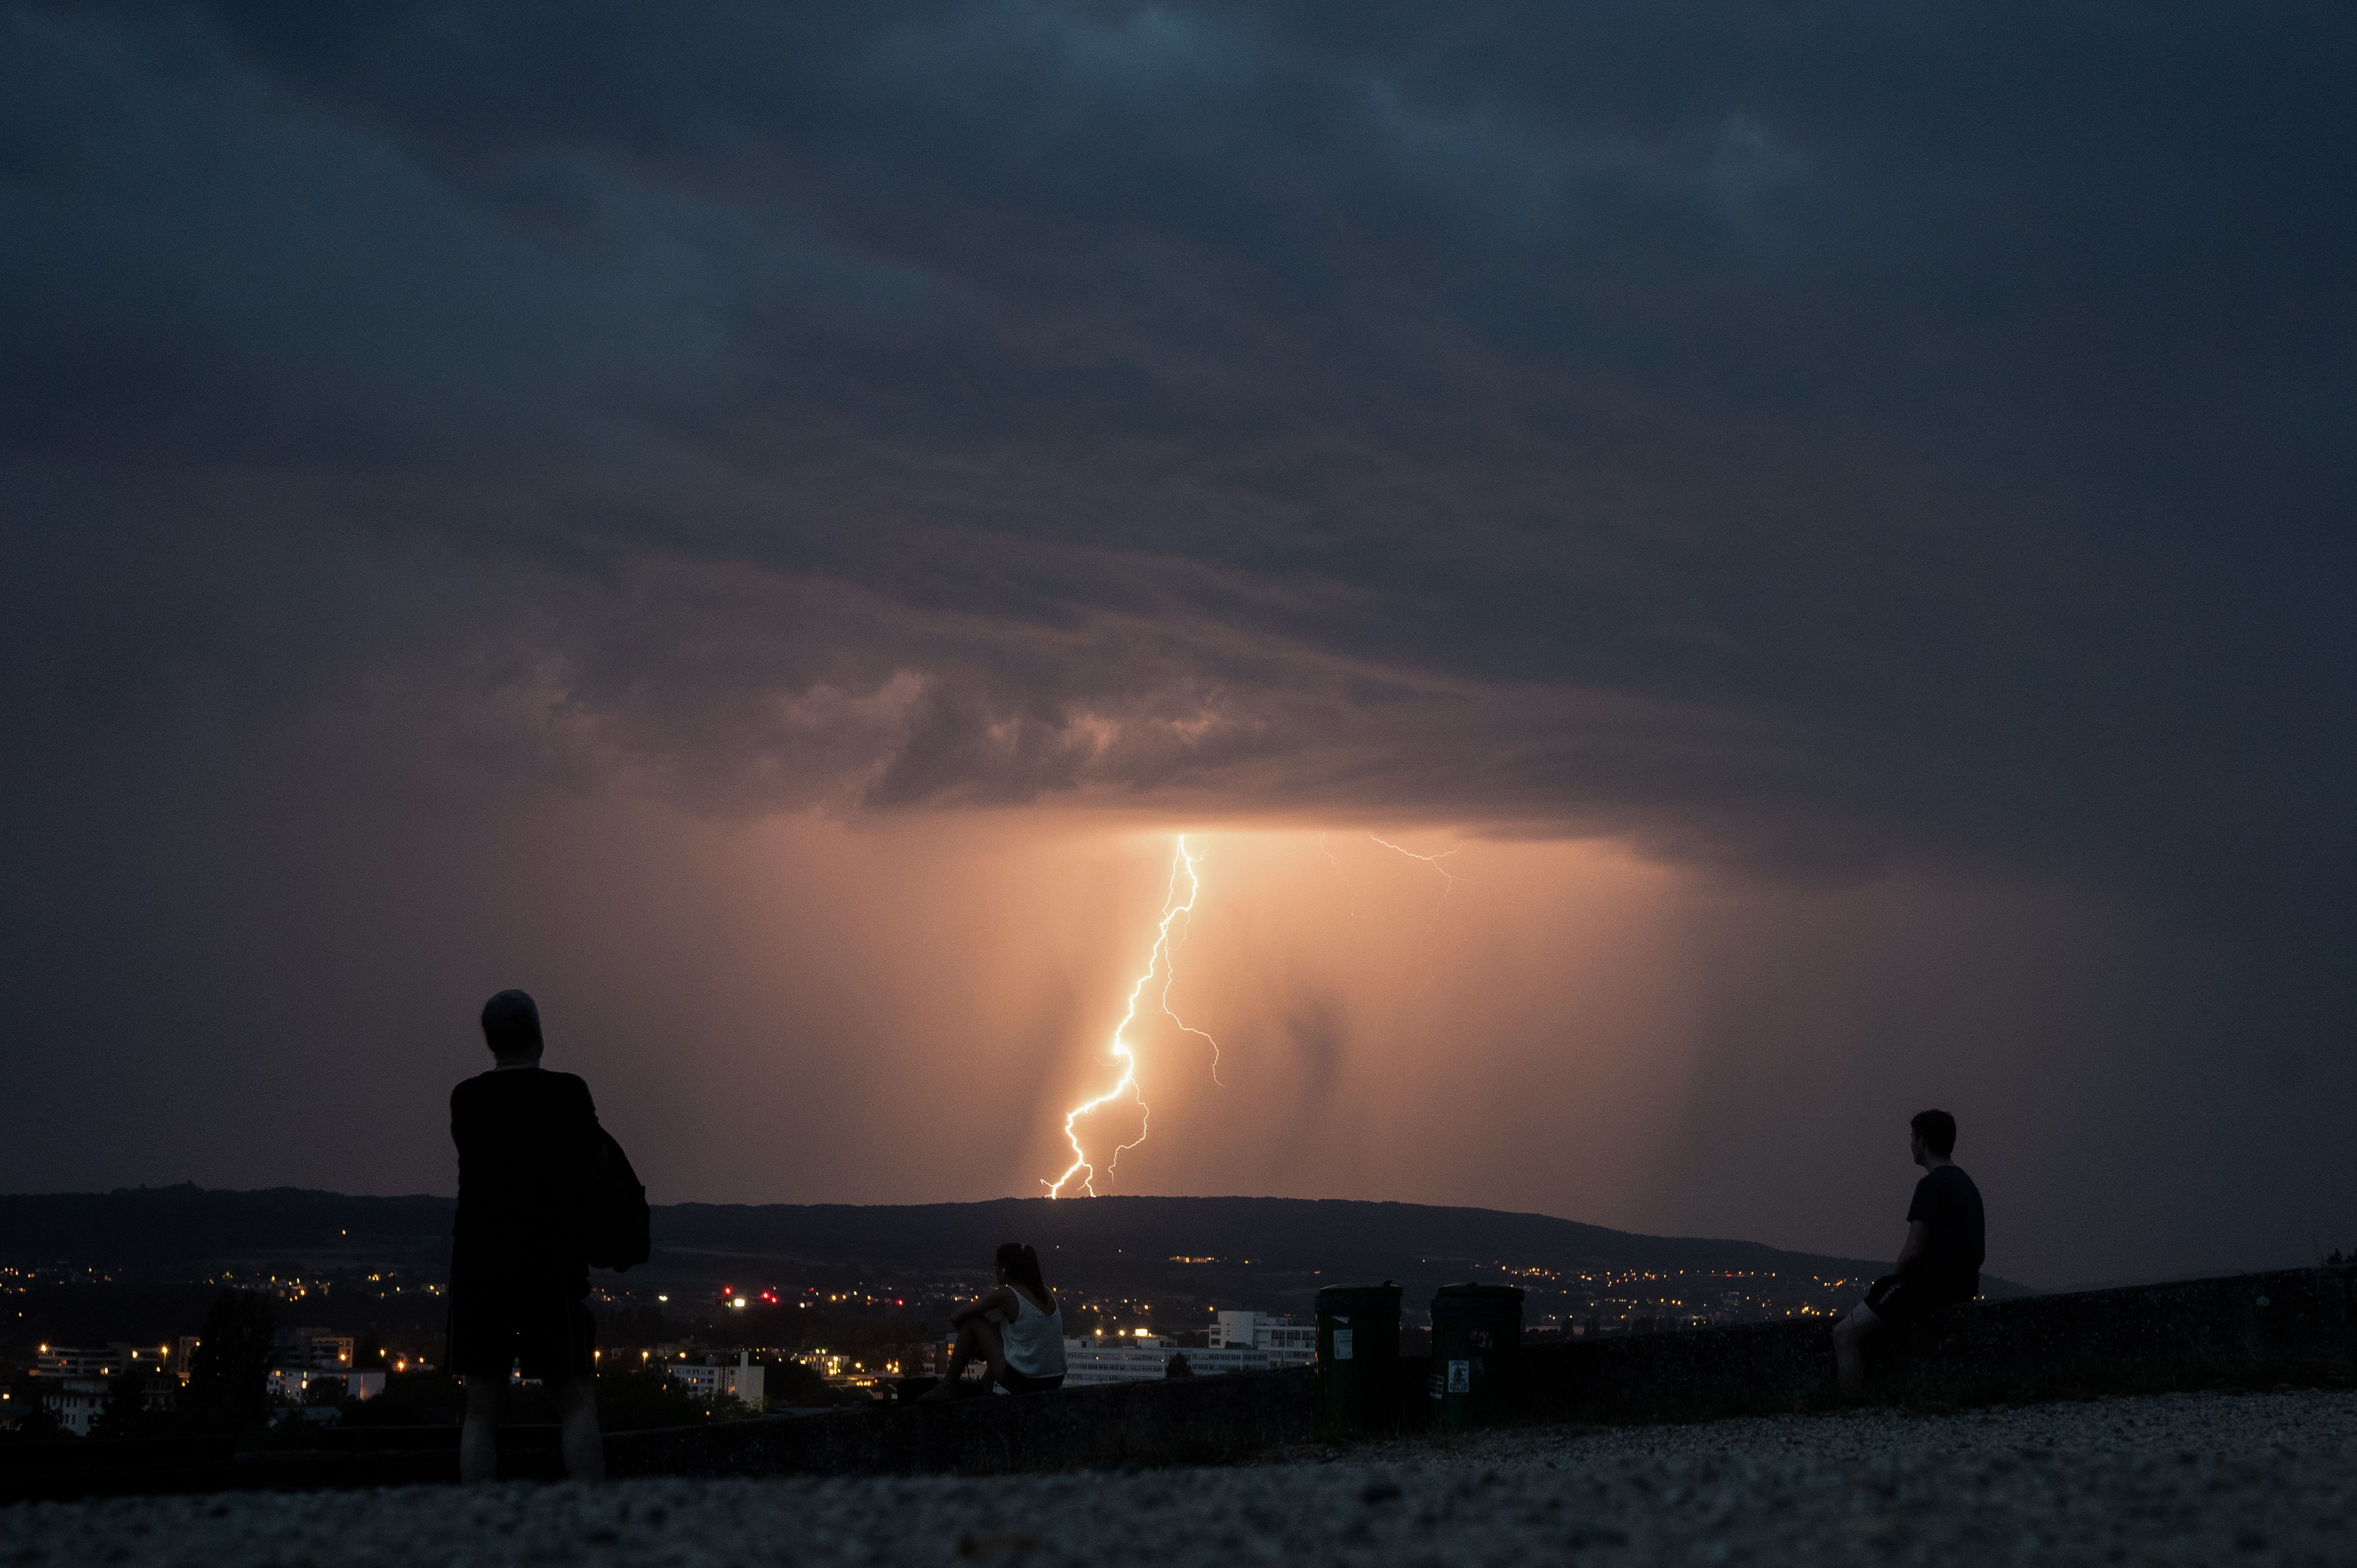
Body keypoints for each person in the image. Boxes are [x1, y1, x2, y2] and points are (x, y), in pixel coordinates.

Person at [446, 989, 607, 1481]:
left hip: (480, 1271)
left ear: (491, 1041)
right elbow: (592, 1170)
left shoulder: (466, 1098)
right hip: (549, 1267)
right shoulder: (568, 1094)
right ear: (539, 1032)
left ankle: (483, 1535)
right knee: (576, 1402)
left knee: (480, 1411)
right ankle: (594, 1529)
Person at [1833, 1108, 1985, 1392]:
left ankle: (1850, 1410)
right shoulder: (1968, 1184)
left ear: (1923, 1142)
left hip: (1930, 1288)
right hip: (1964, 1286)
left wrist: (1896, 1282)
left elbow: (1913, 1251)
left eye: (1912, 1137)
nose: (1910, 1144)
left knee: (1845, 1334)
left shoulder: (1931, 1186)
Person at [926, 1242, 1067, 1397]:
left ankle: (947, 1386)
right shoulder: (1046, 1292)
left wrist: (975, 1344)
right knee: (1003, 1331)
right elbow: (1025, 1330)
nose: (995, 1271)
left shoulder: (1006, 1294)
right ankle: (985, 1385)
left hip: (1026, 1382)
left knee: (973, 1322)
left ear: (1005, 1269)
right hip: (1055, 1380)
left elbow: (957, 1317)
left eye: (996, 1266)